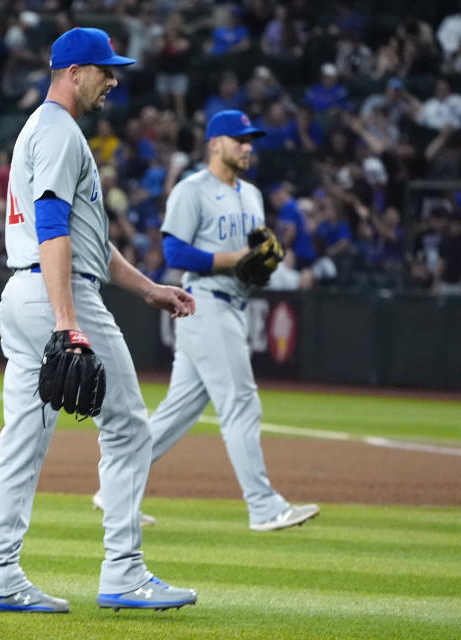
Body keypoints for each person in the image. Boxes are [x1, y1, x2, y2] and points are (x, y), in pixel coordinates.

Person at [0, 27, 198, 615]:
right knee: (127, 429)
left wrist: (148, 289)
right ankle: (124, 572)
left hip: (26, 293)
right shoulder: (60, 132)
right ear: (75, 72)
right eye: (106, 70)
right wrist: (68, 323)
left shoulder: (42, 131)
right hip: (57, 293)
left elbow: (82, 239)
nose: (114, 80)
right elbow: (52, 227)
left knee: (21, 440)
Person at [94, 110, 320, 532]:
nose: (248, 146)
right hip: (205, 303)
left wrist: (262, 264)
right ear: (215, 143)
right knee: (240, 403)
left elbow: (255, 259)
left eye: (251, 139)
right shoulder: (191, 190)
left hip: (233, 302)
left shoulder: (251, 195)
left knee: (176, 414)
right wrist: (236, 259)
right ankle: (264, 506)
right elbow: (175, 254)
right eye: (239, 139)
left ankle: (114, 491)